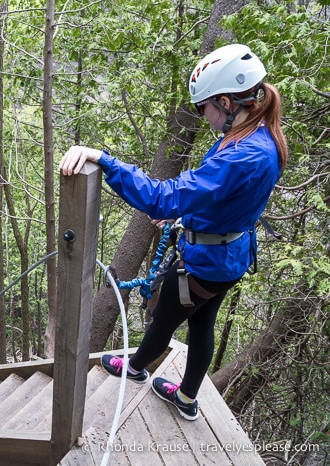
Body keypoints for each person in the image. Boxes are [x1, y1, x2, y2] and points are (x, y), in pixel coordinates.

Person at [59, 44, 287, 421]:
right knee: (202, 323)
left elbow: (162, 197)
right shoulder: (261, 135)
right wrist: (187, 218)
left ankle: (135, 369)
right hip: (231, 254)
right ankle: (186, 398)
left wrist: (105, 160)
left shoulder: (241, 154)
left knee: (164, 319)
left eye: (204, 108)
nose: (204, 116)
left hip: (208, 262)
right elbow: (228, 199)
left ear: (227, 103)